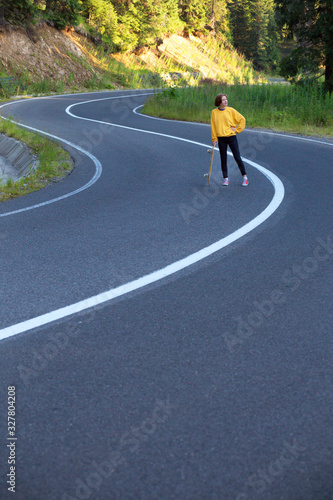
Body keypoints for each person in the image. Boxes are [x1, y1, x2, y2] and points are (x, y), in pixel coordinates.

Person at [211, 93, 248, 186]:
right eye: (223, 100)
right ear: (219, 102)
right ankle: (225, 179)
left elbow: (242, 119)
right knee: (223, 159)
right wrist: (214, 138)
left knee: (237, 157)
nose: (225, 101)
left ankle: (245, 177)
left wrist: (237, 129)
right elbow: (213, 126)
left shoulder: (231, 110)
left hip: (231, 137)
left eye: (226, 99)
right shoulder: (214, 112)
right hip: (221, 139)